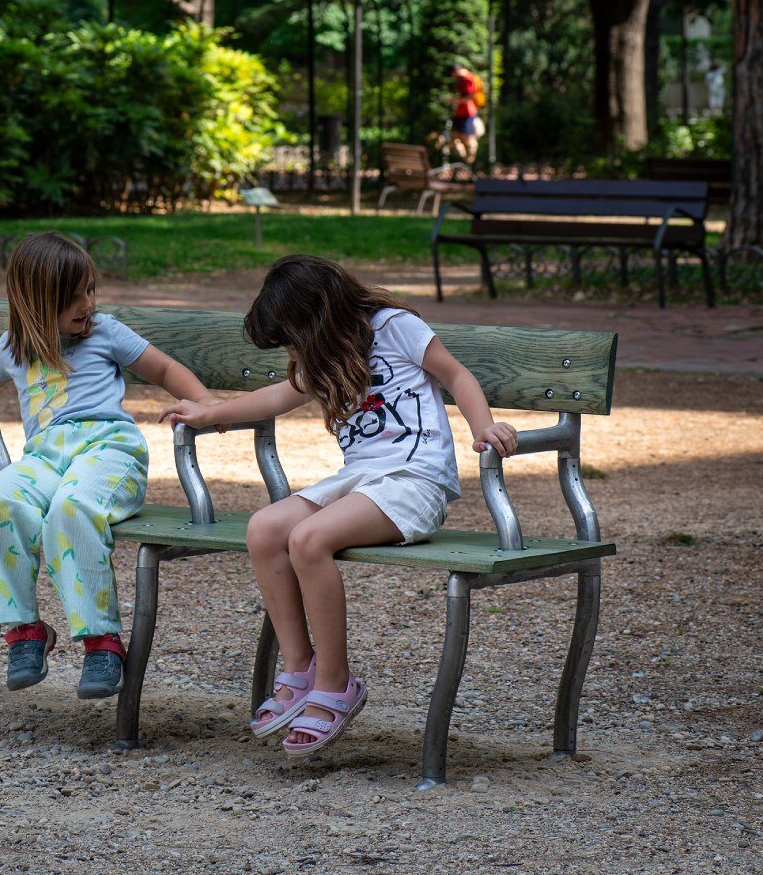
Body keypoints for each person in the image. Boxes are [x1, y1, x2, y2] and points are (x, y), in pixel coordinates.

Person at [163, 256, 517, 757]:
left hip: (413, 481)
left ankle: (336, 682)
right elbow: (273, 398)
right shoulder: (324, 353)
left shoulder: (395, 327)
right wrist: (211, 413)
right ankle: (301, 667)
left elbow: (456, 376)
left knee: (309, 539)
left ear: (318, 314)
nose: (291, 350)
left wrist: (484, 427)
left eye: (290, 337)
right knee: (265, 528)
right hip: (361, 479)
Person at [0, 232, 211, 701]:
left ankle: (101, 640)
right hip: (46, 457)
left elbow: (165, 370)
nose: (86, 305)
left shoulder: (105, 331)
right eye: (72, 298)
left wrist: (205, 404)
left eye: (89, 291)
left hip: (108, 453)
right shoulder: (15, 347)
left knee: (72, 509)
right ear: (35, 304)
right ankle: (25, 632)